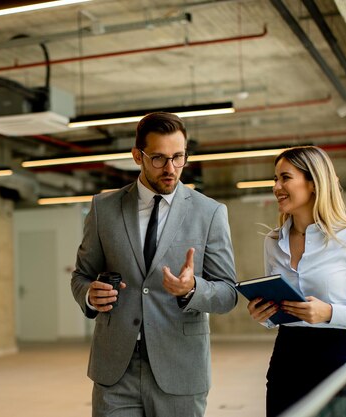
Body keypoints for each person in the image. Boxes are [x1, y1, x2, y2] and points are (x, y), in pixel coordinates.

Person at [71, 112, 238, 417]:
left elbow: (228, 292)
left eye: (179, 157)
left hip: (180, 366)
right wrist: (89, 295)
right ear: (138, 156)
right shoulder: (103, 208)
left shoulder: (210, 213)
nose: (171, 169)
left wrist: (193, 289)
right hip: (115, 370)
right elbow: (82, 275)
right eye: (159, 158)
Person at [247, 146, 346, 416]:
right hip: (286, 361)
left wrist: (329, 313)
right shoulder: (272, 242)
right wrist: (263, 315)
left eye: (285, 178)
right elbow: (273, 312)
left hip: (336, 359)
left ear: (313, 183)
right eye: (275, 179)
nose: (276, 186)